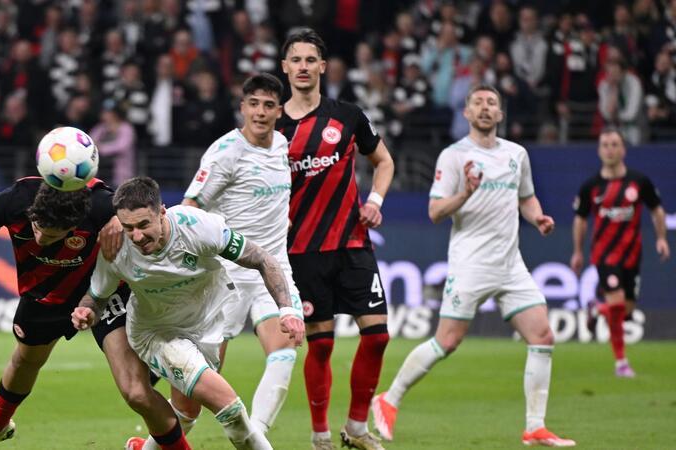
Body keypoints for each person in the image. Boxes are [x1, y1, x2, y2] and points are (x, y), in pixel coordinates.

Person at [0, 174, 190, 450]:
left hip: (102, 295)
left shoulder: (102, 205)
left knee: (137, 393)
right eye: (37, 227)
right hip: (44, 296)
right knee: (25, 362)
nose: (40, 238)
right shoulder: (15, 199)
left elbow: (143, 211)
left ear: (73, 227)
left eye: (53, 235)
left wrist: (119, 220)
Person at [371, 85, 576, 448]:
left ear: (500, 114)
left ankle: (534, 426)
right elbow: (435, 212)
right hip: (471, 264)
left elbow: (526, 197)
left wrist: (538, 217)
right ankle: (389, 399)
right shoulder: (453, 156)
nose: (485, 108)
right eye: (478, 102)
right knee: (447, 341)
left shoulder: (517, 154)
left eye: (492, 103)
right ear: (466, 113)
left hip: (511, 265)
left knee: (542, 336)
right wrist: (465, 193)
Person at [72, 176, 305, 450]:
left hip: (206, 327)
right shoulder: (117, 249)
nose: (136, 236)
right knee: (230, 410)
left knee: (185, 414)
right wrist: (86, 311)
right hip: (157, 334)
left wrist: (287, 310)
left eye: (144, 225)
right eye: (129, 227)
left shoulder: (198, 227)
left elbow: (263, 260)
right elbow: (96, 297)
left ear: (162, 212)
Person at [276, 29, 394, 450]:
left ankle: (357, 429)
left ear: (323, 67)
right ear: (285, 67)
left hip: (352, 242)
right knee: (321, 347)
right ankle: (321, 436)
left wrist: (375, 200)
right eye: (297, 60)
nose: (304, 66)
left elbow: (383, 161)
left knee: (378, 336)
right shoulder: (273, 126)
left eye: (312, 59)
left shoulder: (347, 115)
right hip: (302, 250)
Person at [181, 73, 302, 435]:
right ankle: (159, 443)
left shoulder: (282, 146)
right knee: (200, 381)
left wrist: (284, 218)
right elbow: (191, 207)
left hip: (273, 272)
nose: (260, 112)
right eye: (254, 104)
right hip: (227, 275)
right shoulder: (224, 153)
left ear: (280, 110)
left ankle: (257, 436)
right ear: (242, 107)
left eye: (268, 105)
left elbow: (270, 196)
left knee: (285, 352)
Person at [570, 127, 670, 377]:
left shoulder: (638, 182)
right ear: (599, 150)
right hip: (604, 256)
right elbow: (580, 220)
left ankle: (596, 309)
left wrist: (661, 239)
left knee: (624, 311)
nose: (610, 149)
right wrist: (577, 252)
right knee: (616, 304)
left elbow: (656, 209)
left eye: (615, 144)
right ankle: (621, 362)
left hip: (632, 255)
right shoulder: (591, 187)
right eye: (605, 145)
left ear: (623, 149)